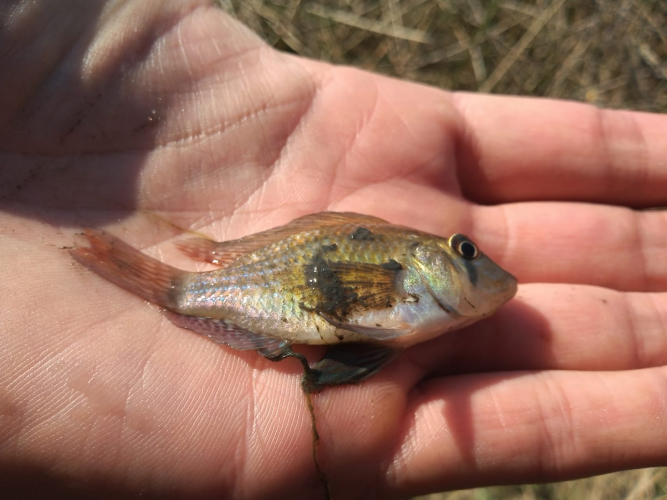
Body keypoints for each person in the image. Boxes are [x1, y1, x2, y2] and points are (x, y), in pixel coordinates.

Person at [1, 1, 665, 498]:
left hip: (292, 307)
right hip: (263, 290)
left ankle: (161, 285)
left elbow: (358, 324)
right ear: (430, 259)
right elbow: (342, 293)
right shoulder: (400, 273)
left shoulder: (420, 301)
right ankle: (155, 283)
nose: (479, 266)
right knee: (187, 290)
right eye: (462, 251)